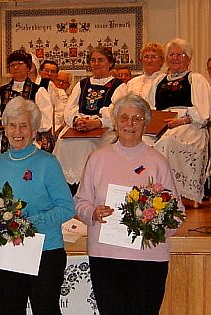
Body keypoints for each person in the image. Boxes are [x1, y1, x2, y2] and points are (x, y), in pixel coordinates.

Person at [75, 93, 185, 315]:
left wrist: (157, 223)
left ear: (145, 122)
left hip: (148, 258)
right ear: (115, 122)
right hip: (107, 257)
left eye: (137, 118)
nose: (130, 124)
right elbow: (79, 202)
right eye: (124, 118)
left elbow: (177, 213)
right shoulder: (98, 159)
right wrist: (93, 212)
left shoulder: (157, 162)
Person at [0, 96, 75, 315]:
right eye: (12, 125)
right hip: (7, 252)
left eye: (24, 126)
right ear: (5, 129)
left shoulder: (48, 162)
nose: (18, 132)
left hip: (45, 252)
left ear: (34, 130)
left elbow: (66, 207)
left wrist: (27, 223)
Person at [53, 46, 127, 193]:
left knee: (86, 144)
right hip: (79, 125)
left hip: (103, 128)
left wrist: (97, 122)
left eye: (101, 60)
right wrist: (76, 121)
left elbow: (117, 111)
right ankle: (66, 187)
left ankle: (86, 186)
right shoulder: (82, 84)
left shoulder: (119, 86)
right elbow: (70, 108)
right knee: (62, 142)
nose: (96, 63)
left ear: (110, 63)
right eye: (93, 60)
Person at [148, 38, 210, 207]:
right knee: (142, 144)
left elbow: (204, 114)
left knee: (167, 142)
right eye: (171, 55)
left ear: (188, 58)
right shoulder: (158, 81)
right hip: (160, 125)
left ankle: (172, 194)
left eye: (180, 54)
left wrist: (182, 120)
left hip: (189, 126)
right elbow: (150, 107)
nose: (175, 58)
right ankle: (146, 192)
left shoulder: (195, 79)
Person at [0, 50, 53, 155]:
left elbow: (46, 122)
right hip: (5, 136)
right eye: (12, 65)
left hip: (31, 136)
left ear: (28, 67)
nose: (16, 67)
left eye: (20, 64)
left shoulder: (38, 91)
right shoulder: (2, 91)